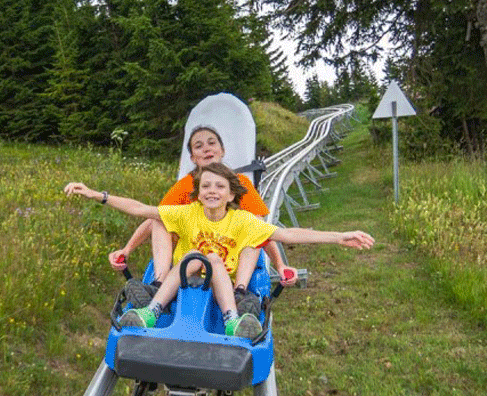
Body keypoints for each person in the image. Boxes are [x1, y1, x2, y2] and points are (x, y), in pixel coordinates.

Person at [64, 162, 374, 339]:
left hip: (222, 281)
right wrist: (96, 194)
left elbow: (288, 233)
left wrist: (338, 236)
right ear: (198, 193)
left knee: (210, 259)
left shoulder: (242, 220)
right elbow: (138, 208)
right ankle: (150, 312)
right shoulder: (187, 213)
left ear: (230, 195)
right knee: (186, 249)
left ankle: (231, 319)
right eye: (207, 186)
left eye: (219, 187)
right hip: (185, 276)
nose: (212, 191)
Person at [108, 125, 297, 315]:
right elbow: (152, 217)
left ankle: (239, 291)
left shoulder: (239, 184)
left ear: (222, 151)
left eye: (211, 143)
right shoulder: (185, 186)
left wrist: (279, 265)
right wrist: (127, 249)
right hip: (192, 253)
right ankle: (159, 283)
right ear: (193, 158)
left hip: (230, 255)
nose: (206, 148)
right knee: (161, 220)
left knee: (252, 230)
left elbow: (262, 230)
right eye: (199, 146)